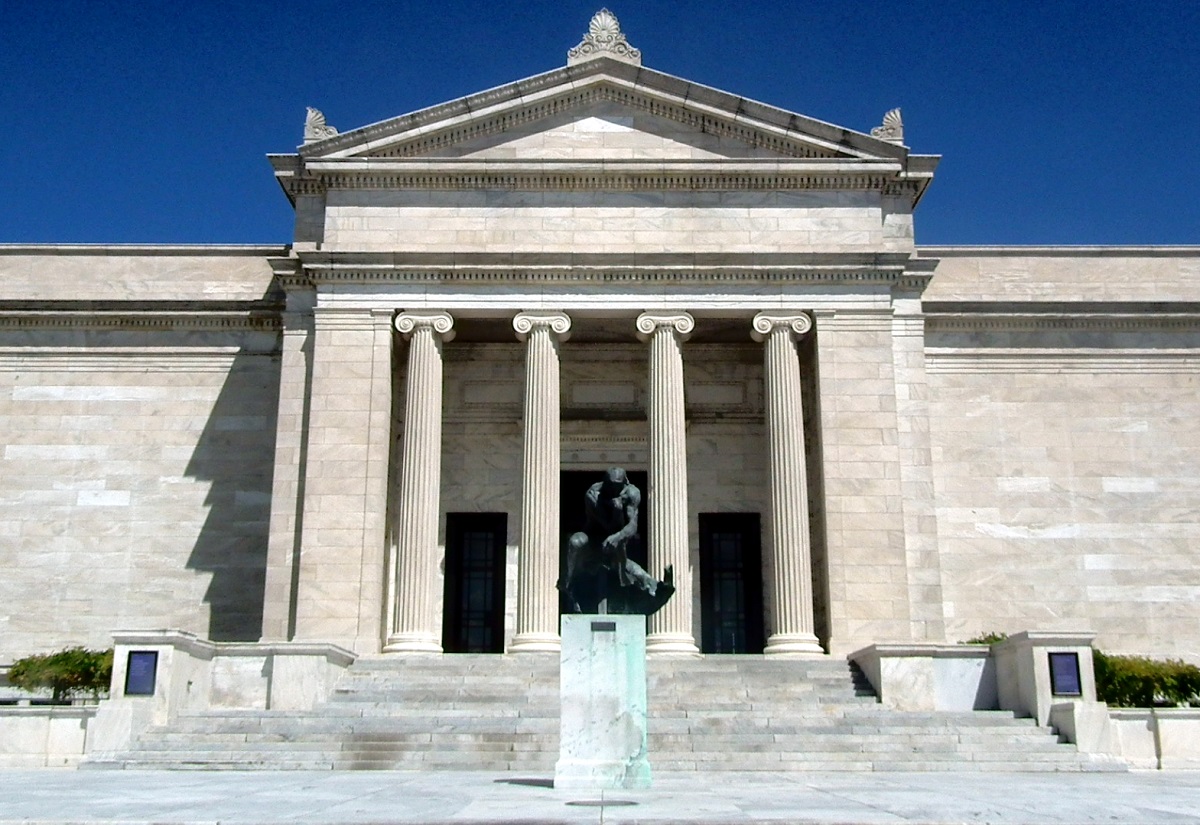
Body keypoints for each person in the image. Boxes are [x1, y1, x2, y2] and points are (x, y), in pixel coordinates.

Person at [560, 468, 674, 615]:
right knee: (576, 542)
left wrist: (618, 536)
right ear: (605, 482)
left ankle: (652, 585)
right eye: (611, 484)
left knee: (620, 558)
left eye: (618, 485)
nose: (614, 488)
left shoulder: (632, 493)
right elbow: (606, 525)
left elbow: (632, 526)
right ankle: (568, 583)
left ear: (624, 482)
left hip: (617, 542)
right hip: (593, 538)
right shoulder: (593, 494)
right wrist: (617, 512)